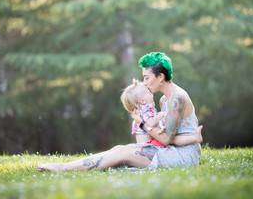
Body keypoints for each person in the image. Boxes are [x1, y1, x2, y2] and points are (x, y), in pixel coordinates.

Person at [37, 52, 202, 172]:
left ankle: (63, 168)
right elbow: (163, 135)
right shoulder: (164, 100)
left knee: (123, 152)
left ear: (160, 77)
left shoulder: (177, 99)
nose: (144, 82)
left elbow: (166, 139)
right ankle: (69, 167)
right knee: (119, 149)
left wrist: (142, 124)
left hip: (183, 156)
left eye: (146, 77)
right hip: (171, 149)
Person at [120, 79, 202, 147]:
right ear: (142, 100)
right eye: (148, 92)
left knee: (171, 139)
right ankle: (193, 138)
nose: (152, 93)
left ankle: (194, 138)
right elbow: (151, 123)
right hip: (149, 145)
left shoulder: (144, 110)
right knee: (172, 140)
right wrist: (162, 114)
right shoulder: (145, 111)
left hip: (150, 142)